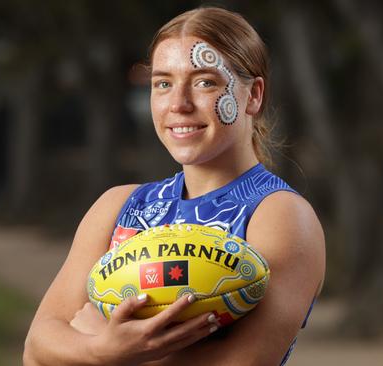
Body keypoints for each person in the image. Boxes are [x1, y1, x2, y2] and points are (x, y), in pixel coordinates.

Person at [24, 6, 325, 366]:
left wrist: (98, 343)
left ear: (254, 95)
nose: (179, 104)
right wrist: (100, 350)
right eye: (163, 83)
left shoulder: (280, 215)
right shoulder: (119, 205)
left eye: (205, 82)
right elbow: (37, 350)